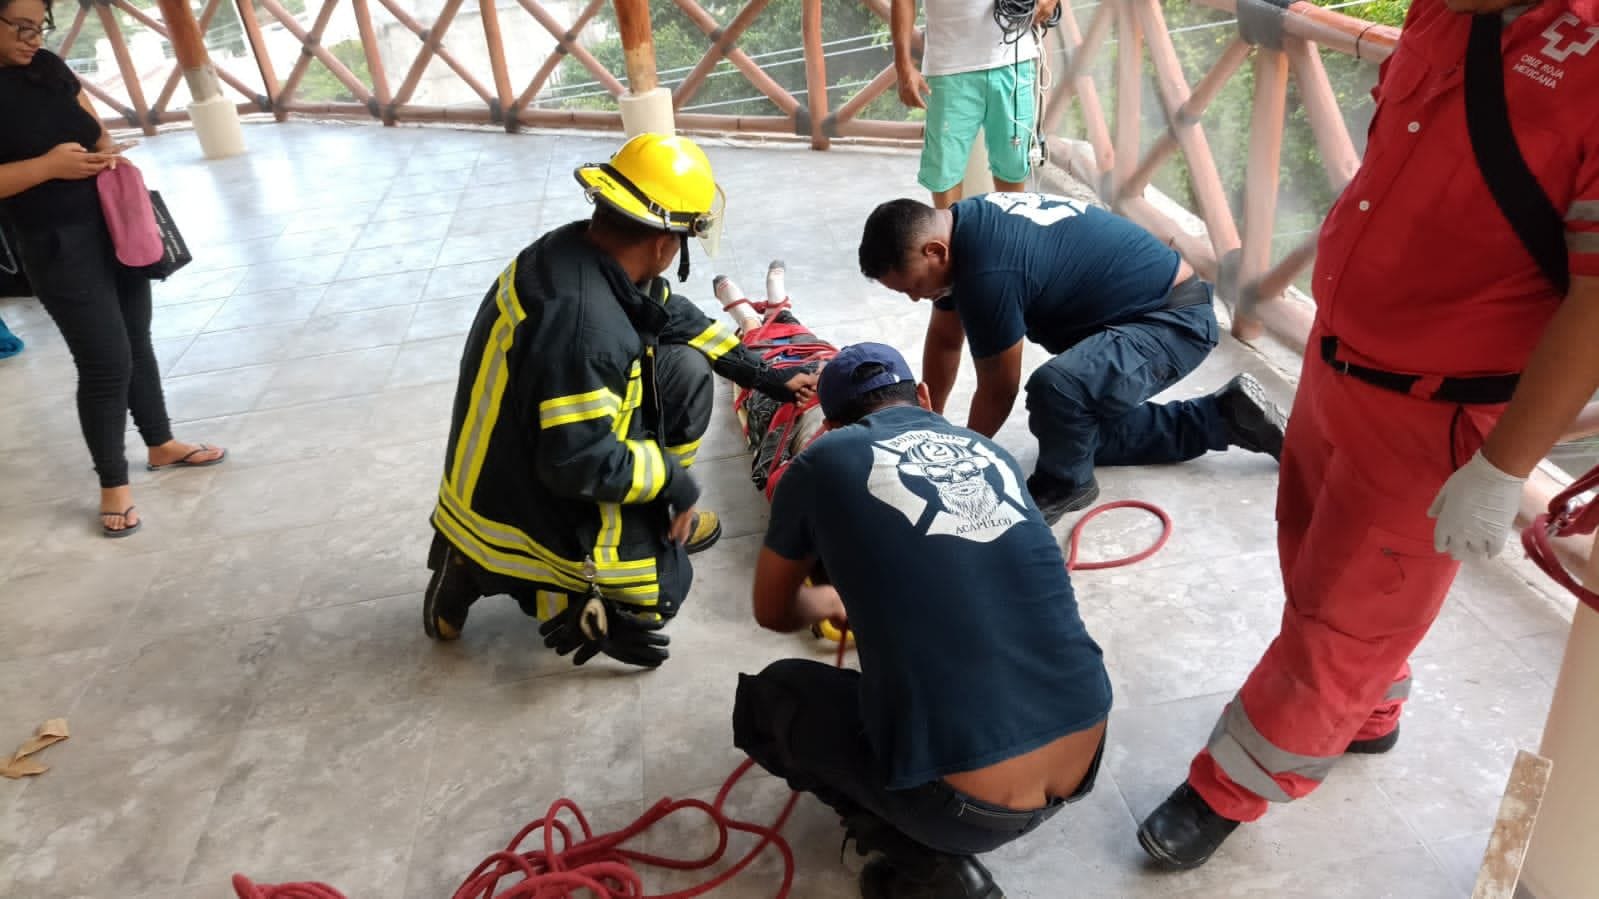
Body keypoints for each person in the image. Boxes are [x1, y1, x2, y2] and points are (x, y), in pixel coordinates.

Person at [1135, 0, 1599, 870]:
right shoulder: (1447, 13)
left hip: (1444, 407)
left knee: (1348, 614)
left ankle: (1226, 786)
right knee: (1309, 552)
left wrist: (1503, 469)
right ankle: (1371, 709)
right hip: (1341, 355)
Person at [421, 132, 817, 670]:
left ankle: (653, 522)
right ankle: (471, 565)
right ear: (662, 243)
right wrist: (677, 483)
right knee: (661, 590)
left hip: (526, 449)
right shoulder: (585, 325)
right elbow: (576, 462)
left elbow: (671, 316)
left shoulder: (581, 253)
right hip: (506, 498)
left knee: (686, 369)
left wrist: (768, 377)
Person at [733, 341, 1112, 899]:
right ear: (927, 399)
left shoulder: (818, 462)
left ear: (831, 425)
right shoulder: (992, 453)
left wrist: (830, 600)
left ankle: (931, 863)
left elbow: (771, 611)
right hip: (1087, 749)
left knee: (771, 701)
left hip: (969, 807)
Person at [858, 191, 1287, 523]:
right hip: (1134, 316)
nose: (916, 297)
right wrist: (930, 423)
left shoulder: (987, 271)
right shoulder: (962, 231)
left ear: (935, 251)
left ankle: (1066, 484)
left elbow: (998, 387)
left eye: (913, 285)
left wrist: (963, 460)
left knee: (1058, 391)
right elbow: (945, 340)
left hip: (1171, 321)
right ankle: (1224, 416)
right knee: (1069, 431)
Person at [0, 0, 225, 537]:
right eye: (23, 27)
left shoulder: (49, 66)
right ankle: (113, 485)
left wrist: (106, 154)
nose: (35, 38)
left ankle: (161, 443)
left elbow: (94, 129)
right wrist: (48, 168)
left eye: (42, 26)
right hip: (53, 242)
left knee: (135, 339)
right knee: (104, 362)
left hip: (111, 223)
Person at [891, 0, 1058, 209]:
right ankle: (951, 240)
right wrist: (903, 65)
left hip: (1015, 61)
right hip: (948, 67)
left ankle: (1010, 236)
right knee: (944, 172)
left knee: (1013, 165)